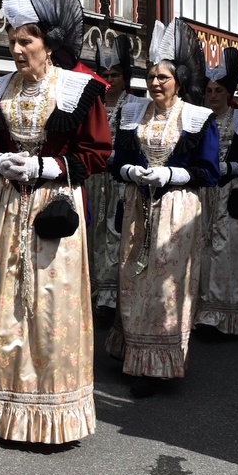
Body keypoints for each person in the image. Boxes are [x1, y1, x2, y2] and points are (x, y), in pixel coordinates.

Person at [0, 0, 111, 444]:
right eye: (12, 40)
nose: (16, 49)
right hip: (8, 204)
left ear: (47, 44)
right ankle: (1, 402)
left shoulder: (77, 89)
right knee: (5, 298)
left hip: (52, 206)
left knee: (51, 302)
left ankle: (54, 409)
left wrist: (47, 165)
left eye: (25, 40)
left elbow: (97, 152)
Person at [106, 19, 219, 397]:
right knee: (133, 277)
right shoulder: (134, 113)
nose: (155, 83)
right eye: (151, 76)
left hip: (176, 211)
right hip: (139, 206)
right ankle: (133, 349)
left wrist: (170, 175)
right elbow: (115, 160)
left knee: (164, 285)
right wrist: (130, 170)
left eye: (163, 78)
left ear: (178, 81)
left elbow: (208, 171)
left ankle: (157, 364)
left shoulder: (197, 118)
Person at [195, 49, 238, 335]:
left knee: (228, 252)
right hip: (205, 194)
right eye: (209, 90)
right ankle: (206, 311)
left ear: (229, 91)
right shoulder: (199, 120)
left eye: (218, 90)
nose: (213, 95)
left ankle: (227, 316)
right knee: (204, 249)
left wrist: (230, 167)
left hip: (231, 192)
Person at [87, 34, 134, 314]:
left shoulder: (134, 105)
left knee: (116, 232)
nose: (109, 79)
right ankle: (94, 291)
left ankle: (112, 295)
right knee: (95, 232)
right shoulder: (94, 105)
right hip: (95, 178)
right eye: (104, 74)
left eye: (114, 74)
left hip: (119, 180)